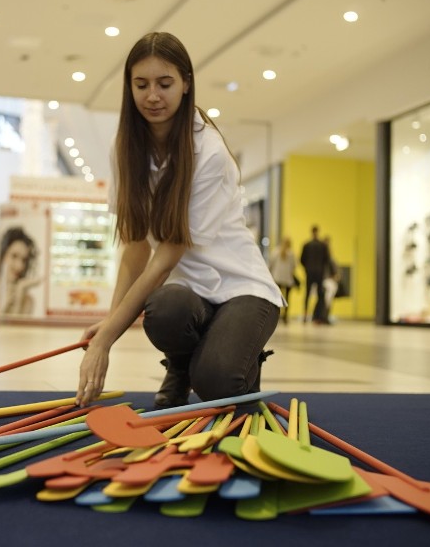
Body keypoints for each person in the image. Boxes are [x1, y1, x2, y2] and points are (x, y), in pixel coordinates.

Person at [75, 32, 284, 408]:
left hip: (243, 290)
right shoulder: (124, 147)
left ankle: (234, 363)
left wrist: (106, 339)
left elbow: (165, 257)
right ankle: (182, 363)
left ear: (186, 84)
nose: (153, 95)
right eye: (141, 85)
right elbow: (136, 248)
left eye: (165, 83)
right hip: (188, 296)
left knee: (218, 382)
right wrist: (110, 324)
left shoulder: (209, 153)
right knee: (165, 308)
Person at [0, 227, 40, 315]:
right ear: (2, 256)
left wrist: (19, 293)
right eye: (14, 256)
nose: (19, 266)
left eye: (24, 260)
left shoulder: (28, 301)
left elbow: (14, 327)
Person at [299, 225, 331, 324]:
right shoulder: (323, 245)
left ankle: (306, 315)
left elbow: (302, 259)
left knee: (308, 294)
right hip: (319, 273)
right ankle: (317, 316)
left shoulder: (306, 245)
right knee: (320, 295)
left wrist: (307, 268)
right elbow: (327, 260)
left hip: (309, 272)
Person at [268, 237, 297, 324]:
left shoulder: (275, 251)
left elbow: (270, 264)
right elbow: (294, 266)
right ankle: (285, 317)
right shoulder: (291, 254)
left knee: (277, 298)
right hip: (288, 279)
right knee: (287, 299)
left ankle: (275, 316)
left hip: (277, 278)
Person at [321, 236, 341, 325]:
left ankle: (325, 316)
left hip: (327, 280)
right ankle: (324, 317)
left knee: (327, 300)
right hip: (326, 281)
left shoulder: (329, 258)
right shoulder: (324, 258)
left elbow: (336, 269)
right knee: (327, 300)